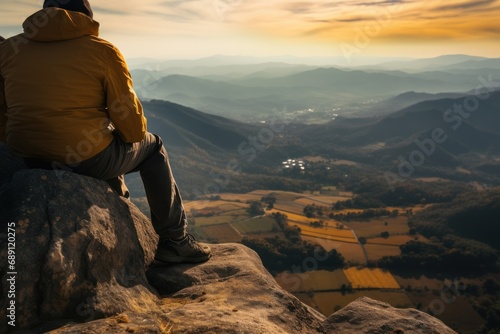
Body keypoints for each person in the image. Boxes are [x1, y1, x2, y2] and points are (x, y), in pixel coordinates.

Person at [0, 0, 211, 263]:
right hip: (85, 158)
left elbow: (3, 113)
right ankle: (175, 241)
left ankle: (119, 200)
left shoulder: (9, 49)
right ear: (86, 15)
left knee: (101, 137)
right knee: (153, 147)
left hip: (29, 156)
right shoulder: (103, 50)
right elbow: (131, 125)